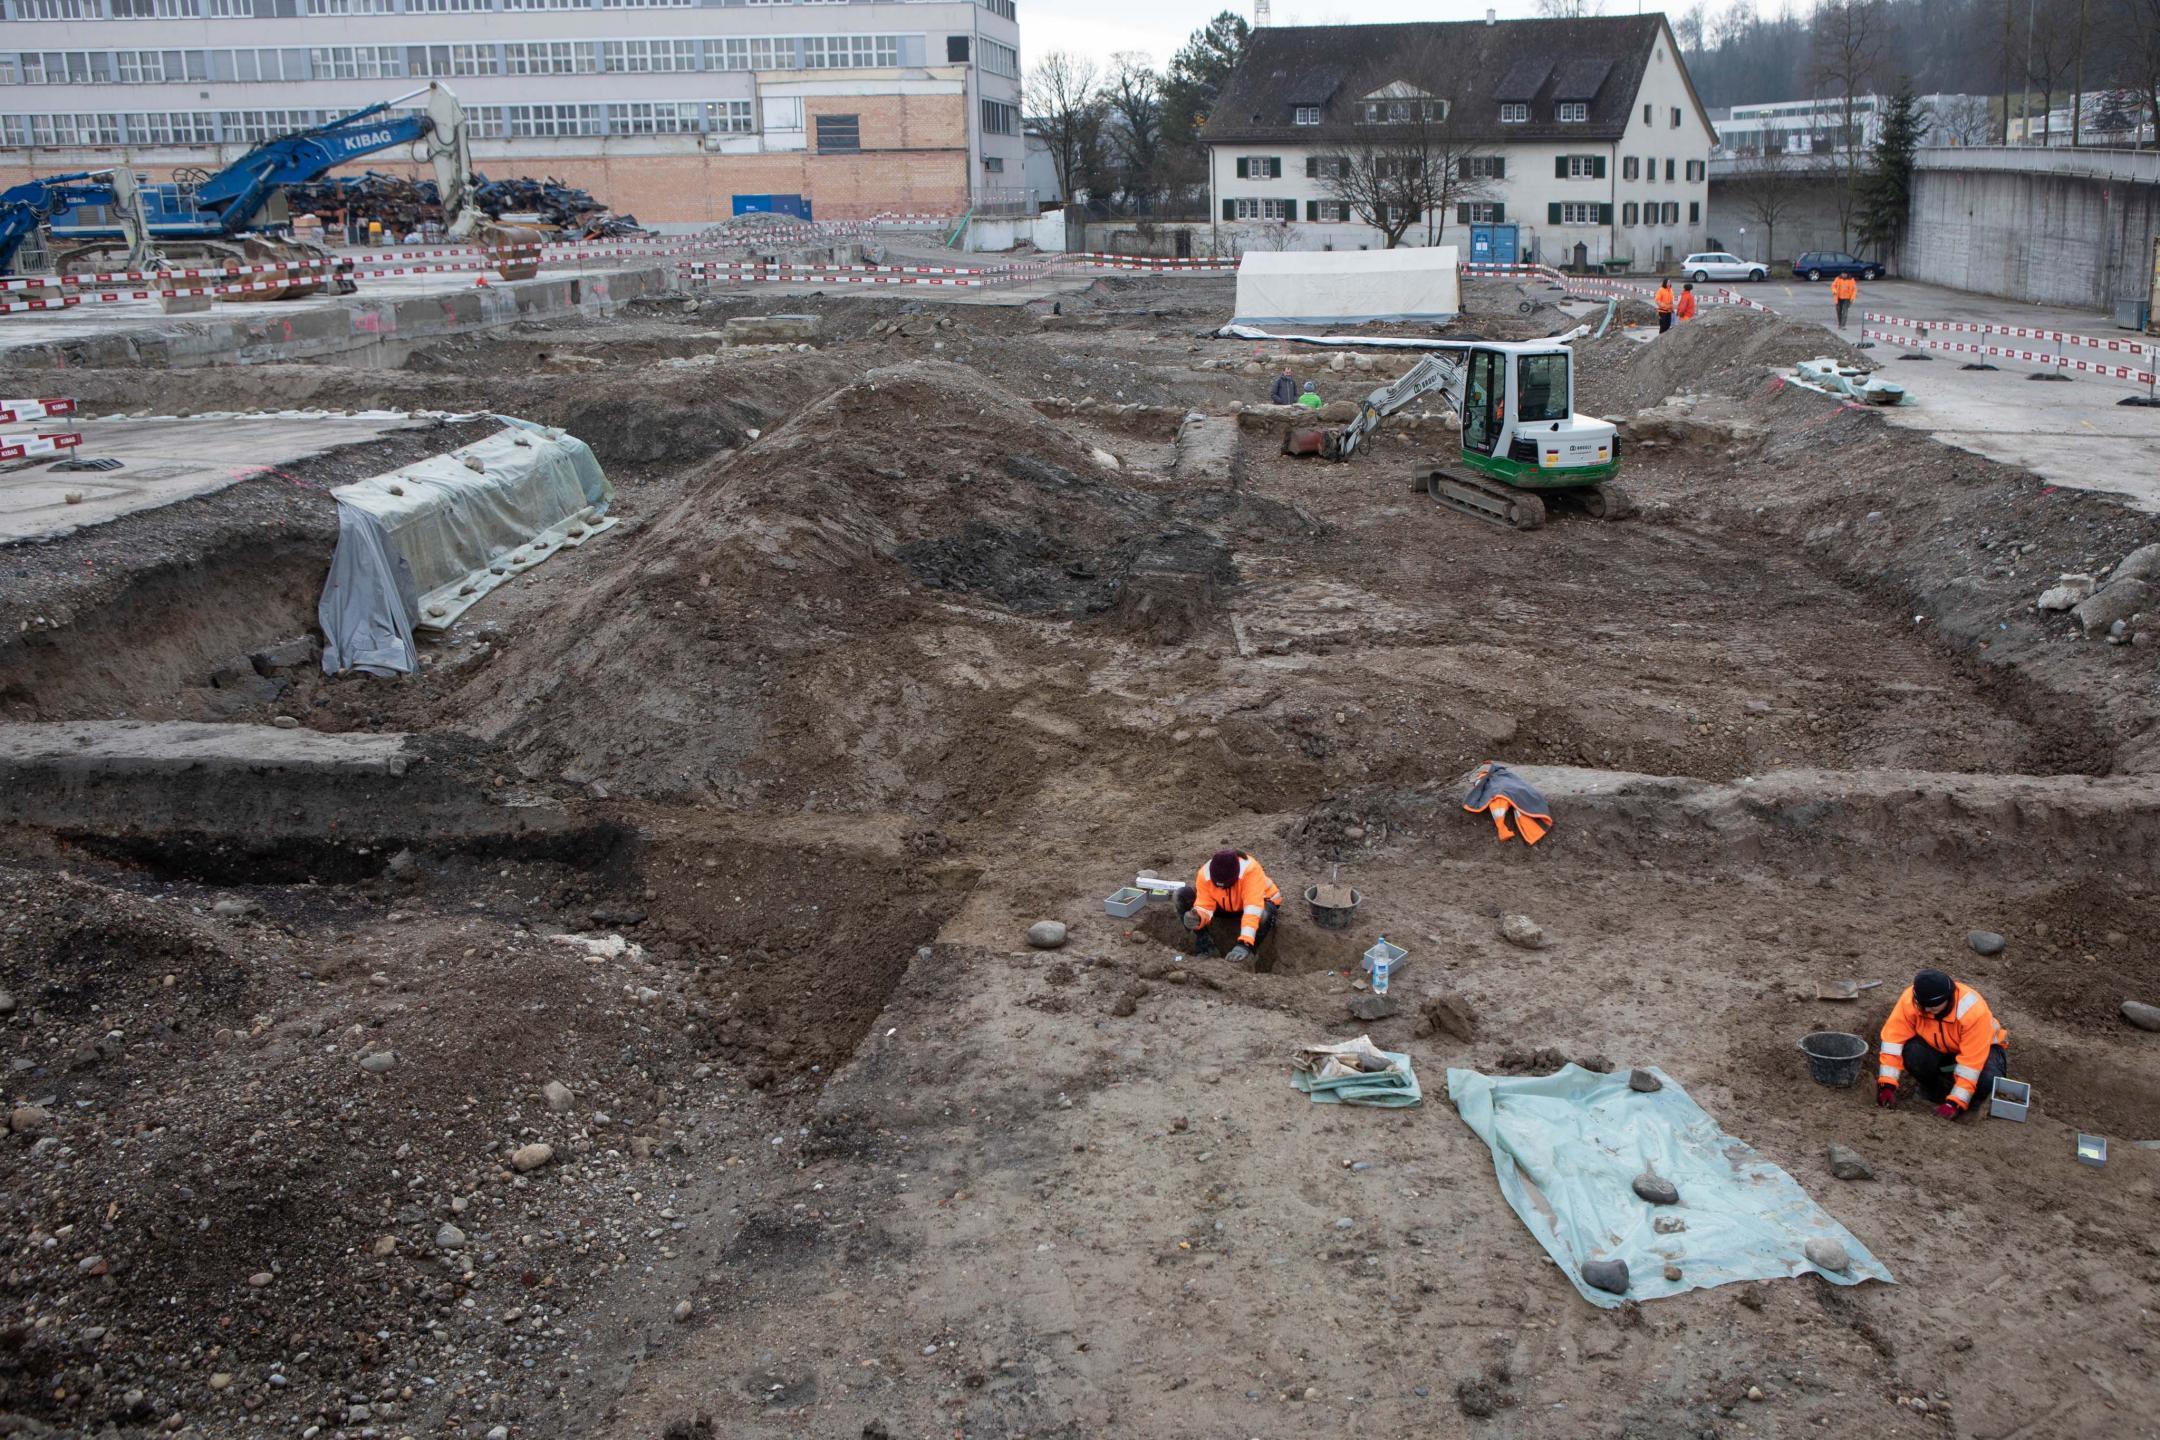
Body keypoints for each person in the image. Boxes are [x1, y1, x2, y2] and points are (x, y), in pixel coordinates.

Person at [1877, 968, 2008, 1118]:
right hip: (1940, 1048)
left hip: (1984, 1049)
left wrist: (1955, 1102)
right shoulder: (1912, 1000)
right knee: (1913, 1053)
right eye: (1922, 1006)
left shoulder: (1973, 1012)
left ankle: (1973, 1102)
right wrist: (1887, 1084)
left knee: (1987, 1079)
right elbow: (1892, 1040)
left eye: (1933, 1007)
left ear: (1948, 999)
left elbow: (1971, 1064)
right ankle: (1933, 1089)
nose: (1926, 1011)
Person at [1177, 848, 1283, 966]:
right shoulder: (1204, 875)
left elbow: (1253, 910)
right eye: (1217, 885)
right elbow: (1205, 905)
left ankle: (1247, 955)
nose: (1221, 888)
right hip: (1225, 904)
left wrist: (1244, 943)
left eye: (1226, 885)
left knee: (1264, 914)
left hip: (1258, 903)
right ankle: (1206, 948)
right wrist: (1198, 917)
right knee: (1180, 895)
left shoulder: (1250, 871)